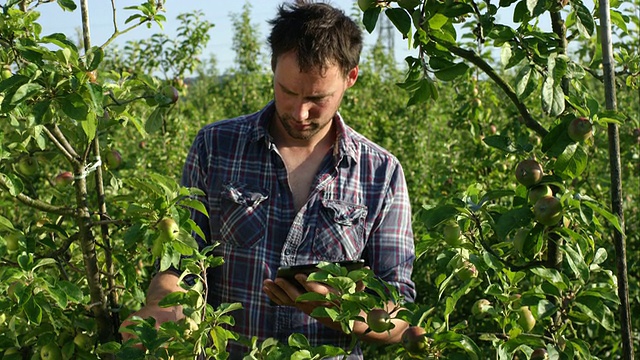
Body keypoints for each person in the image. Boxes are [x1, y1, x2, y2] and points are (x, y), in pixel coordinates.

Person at [122, 2, 416, 358]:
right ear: (273, 67)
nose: (299, 111)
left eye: (317, 98)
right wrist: (165, 308)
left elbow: (398, 312)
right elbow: (179, 263)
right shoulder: (216, 146)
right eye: (288, 91)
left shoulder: (380, 173)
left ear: (350, 78)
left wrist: (340, 311)